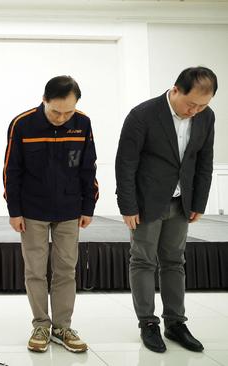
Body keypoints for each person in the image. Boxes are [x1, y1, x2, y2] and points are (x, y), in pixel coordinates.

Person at [115, 66, 217, 353]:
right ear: (175, 90)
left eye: (202, 105)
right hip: (147, 202)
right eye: (190, 103)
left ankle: (175, 322)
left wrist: (198, 201)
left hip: (181, 202)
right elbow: (125, 163)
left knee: (175, 261)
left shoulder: (206, 117)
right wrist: (128, 205)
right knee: (144, 261)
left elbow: (204, 161)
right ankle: (148, 323)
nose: (194, 110)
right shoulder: (143, 115)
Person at [3, 75, 97, 353]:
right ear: (44, 100)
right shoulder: (23, 124)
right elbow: (12, 170)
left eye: (68, 111)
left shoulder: (82, 123)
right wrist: (14, 211)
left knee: (66, 269)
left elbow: (87, 167)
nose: (62, 117)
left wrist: (88, 206)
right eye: (56, 111)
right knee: (35, 270)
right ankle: (41, 324)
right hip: (32, 210)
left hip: (69, 209)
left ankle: (62, 327)